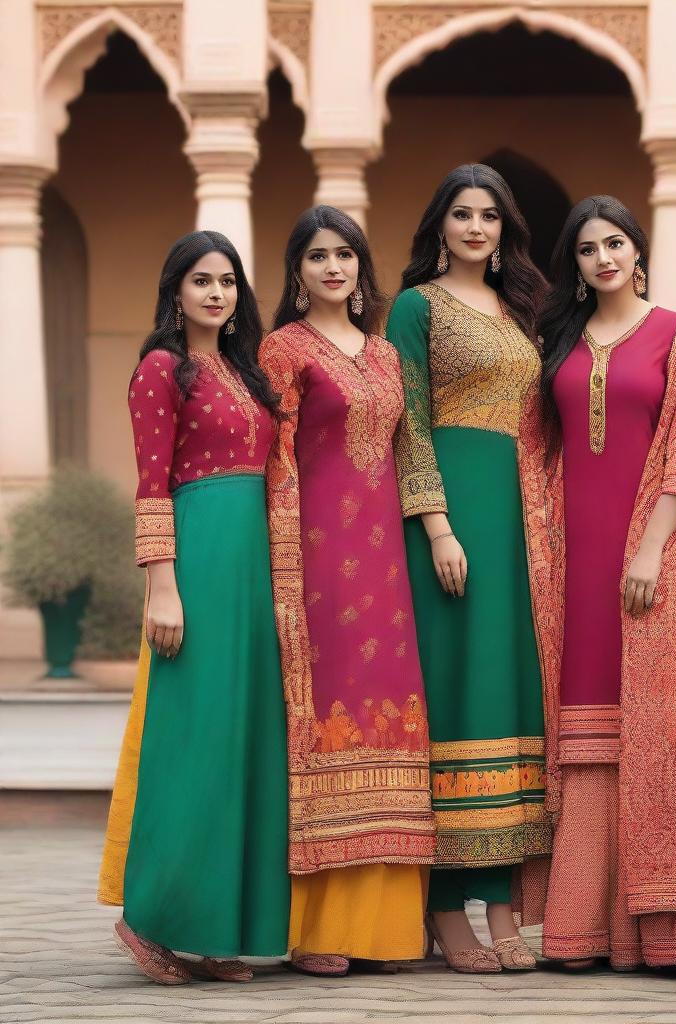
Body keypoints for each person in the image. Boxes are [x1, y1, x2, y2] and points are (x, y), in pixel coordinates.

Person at [98, 231, 289, 983]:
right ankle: (151, 920)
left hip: (252, 563)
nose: (216, 293)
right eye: (201, 280)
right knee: (192, 746)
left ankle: (213, 933)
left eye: (228, 282)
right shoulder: (160, 371)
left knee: (242, 748)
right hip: (200, 563)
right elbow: (151, 483)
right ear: (175, 290)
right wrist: (162, 584)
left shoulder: (246, 371)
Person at [535, 196, 676, 971]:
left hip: (654, 557)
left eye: (615, 244)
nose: (602, 258)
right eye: (586, 249)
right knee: (584, 733)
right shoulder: (559, 341)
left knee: (659, 731)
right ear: (573, 266)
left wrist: (646, 550)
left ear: (639, 252)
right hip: (571, 561)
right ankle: (577, 926)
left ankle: (661, 934)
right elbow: (536, 451)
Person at [387, 164, 554, 972]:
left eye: (490, 215)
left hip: (519, 520)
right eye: (462, 213)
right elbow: (406, 420)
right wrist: (438, 525)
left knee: (506, 698)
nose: (477, 227)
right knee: (456, 699)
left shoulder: (523, 311)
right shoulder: (415, 306)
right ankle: (447, 906)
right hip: (452, 523)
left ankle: (502, 904)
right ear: (440, 224)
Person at [260, 205, 435, 975]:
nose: (334, 269)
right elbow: (277, 462)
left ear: (363, 270)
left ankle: (389, 930)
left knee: (388, 712)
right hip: (319, 557)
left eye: (346, 256)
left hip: (386, 564)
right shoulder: (282, 350)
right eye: (318, 257)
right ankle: (321, 928)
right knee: (325, 714)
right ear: (296, 274)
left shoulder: (388, 355)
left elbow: (404, 452)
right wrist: (283, 560)